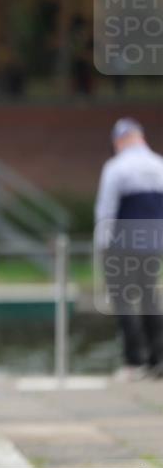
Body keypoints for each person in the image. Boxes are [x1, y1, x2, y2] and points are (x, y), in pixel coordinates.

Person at [95, 118, 163, 381]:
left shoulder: (116, 168)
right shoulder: (159, 165)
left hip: (123, 244)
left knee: (124, 300)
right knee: (149, 298)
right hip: (153, 244)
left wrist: (102, 246)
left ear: (119, 141)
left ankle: (134, 362)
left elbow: (106, 211)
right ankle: (158, 359)